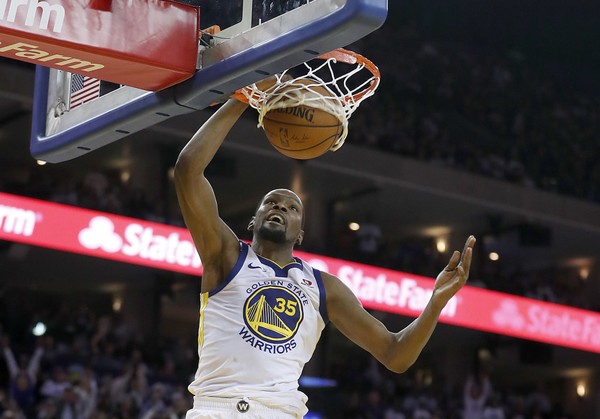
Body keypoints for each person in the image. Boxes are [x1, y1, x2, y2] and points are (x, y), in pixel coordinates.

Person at [174, 81, 476, 418]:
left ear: (300, 234)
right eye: (270, 203)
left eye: (292, 208)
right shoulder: (225, 255)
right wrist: (244, 96)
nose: (279, 208)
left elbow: (395, 355)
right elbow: (188, 170)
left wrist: (436, 302)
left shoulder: (323, 287)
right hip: (220, 410)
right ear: (252, 220)